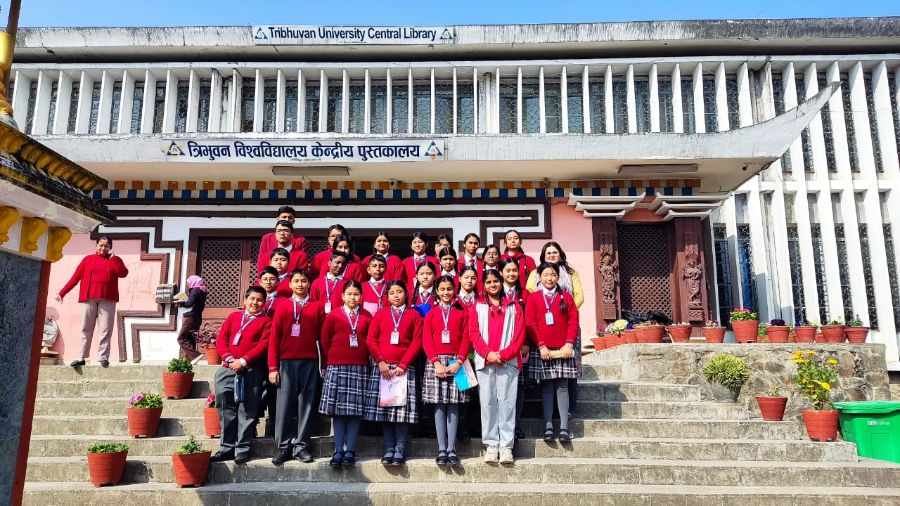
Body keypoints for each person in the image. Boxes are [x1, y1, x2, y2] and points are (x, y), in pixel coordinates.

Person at [468, 268, 525, 465]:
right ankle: (491, 445)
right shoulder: (477, 306)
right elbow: (474, 334)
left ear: (501, 282)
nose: (493, 285)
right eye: (488, 282)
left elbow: (519, 336)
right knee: (488, 403)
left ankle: (506, 447)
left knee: (507, 403)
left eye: (496, 281)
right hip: (485, 362)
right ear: (483, 286)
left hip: (508, 362)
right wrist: (489, 354)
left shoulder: (514, 307)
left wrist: (503, 354)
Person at [364, 281, 423, 467]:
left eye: (399, 292)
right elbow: (371, 340)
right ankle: (389, 448)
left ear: (406, 293)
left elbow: (417, 341)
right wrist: (380, 362)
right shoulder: (381, 315)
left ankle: (400, 449)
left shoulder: (414, 314)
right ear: (387, 296)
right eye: (392, 293)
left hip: (404, 368)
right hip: (383, 368)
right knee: (386, 410)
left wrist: (404, 364)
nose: (396, 296)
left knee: (401, 412)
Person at [268, 269, 323, 465]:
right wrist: (273, 367)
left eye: (304, 281)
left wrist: (322, 364)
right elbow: (274, 338)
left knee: (306, 405)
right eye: (296, 281)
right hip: (286, 362)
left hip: (310, 362)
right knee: (284, 406)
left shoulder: (317, 307)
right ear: (289, 285)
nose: (300, 284)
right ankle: (283, 447)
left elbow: (322, 338)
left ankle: (301, 446)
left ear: (309, 284)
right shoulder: (282, 306)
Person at [212, 286, 272, 465]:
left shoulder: (266, 321)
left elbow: (263, 344)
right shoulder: (233, 317)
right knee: (225, 407)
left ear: (264, 303)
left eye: (259, 300)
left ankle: (243, 449)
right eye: (252, 299)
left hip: (251, 370)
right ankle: (226, 448)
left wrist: (244, 361)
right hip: (227, 368)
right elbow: (222, 338)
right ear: (245, 300)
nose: (255, 303)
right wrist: (229, 359)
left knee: (248, 410)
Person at [525, 241, 585, 418]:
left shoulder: (570, 272)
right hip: (543, 330)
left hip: (566, 325)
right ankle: (549, 414)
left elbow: (579, 295)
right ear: (543, 256)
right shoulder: (535, 273)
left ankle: (569, 409)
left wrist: (565, 309)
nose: (552, 255)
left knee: (569, 373)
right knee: (546, 377)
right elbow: (530, 292)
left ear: (560, 254)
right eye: (548, 253)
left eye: (555, 252)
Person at [319, 281, 372, 469]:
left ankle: (350, 450)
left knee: (355, 412)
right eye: (349, 294)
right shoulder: (333, 315)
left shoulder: (367, 316)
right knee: (338, 412)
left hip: (359, 367)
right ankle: (338, 450)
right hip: (337, 366)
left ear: (361, 297)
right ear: (342, 296)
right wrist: (331, 359)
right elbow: (325, 341)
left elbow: (371, 341)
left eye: (356, 294)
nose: (352, 297)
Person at [56, 236, 129, 368]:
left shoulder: (114, 260)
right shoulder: (88, 259)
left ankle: (103, 357)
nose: (103, 248)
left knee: (105, 329)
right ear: (96, 246)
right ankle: (81, 357)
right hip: (88, 298)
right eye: (101, 245)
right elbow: (75, 278)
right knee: (85, 328)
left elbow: (123, 273)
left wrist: (114, 258)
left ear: (110, 248)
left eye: (107, 246)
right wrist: (62, 293)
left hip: (108, 299)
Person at [422, 275, 471, 467]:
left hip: (457, 362)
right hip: (436, 363)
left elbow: (466, 338)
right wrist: (435, 363)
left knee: (455, 406)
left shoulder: (462, 312)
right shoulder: (431, 313)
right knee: (439, 406)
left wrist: (459, 361)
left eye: (449, 289)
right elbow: (427, 339)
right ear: (437, 291)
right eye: (442, 289)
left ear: (455, 290)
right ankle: (441, 448)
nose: (446, 292)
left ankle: (452, 449)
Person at [499, 257, 530, 440]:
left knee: (517, 388)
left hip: (520, 347)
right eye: (507, 270)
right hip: (498, 349)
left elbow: (529, 320)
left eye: (514, 270)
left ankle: (515, 425)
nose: (511, 274)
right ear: (501, 272)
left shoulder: (524, 294)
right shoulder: (495, 291)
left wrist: (526, 342)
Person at [174, 274, 207, 361]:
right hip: (197, 318)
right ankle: (190, 360)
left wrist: (181, 303)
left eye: (189, 283)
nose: (188, 285)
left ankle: (195, 356)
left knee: (181, 338)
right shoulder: (202, 291)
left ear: (194, 282)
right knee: (189, 337)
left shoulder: (195, 291)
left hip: (191, 317)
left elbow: (190, 303)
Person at [310, 251, 349, 315]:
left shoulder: (347, 284)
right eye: (337, 262)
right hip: (321, 319)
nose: (340, 266)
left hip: (340, 320)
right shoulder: (317, 283)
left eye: (344, 264)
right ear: (329, 263)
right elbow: (313, 305)